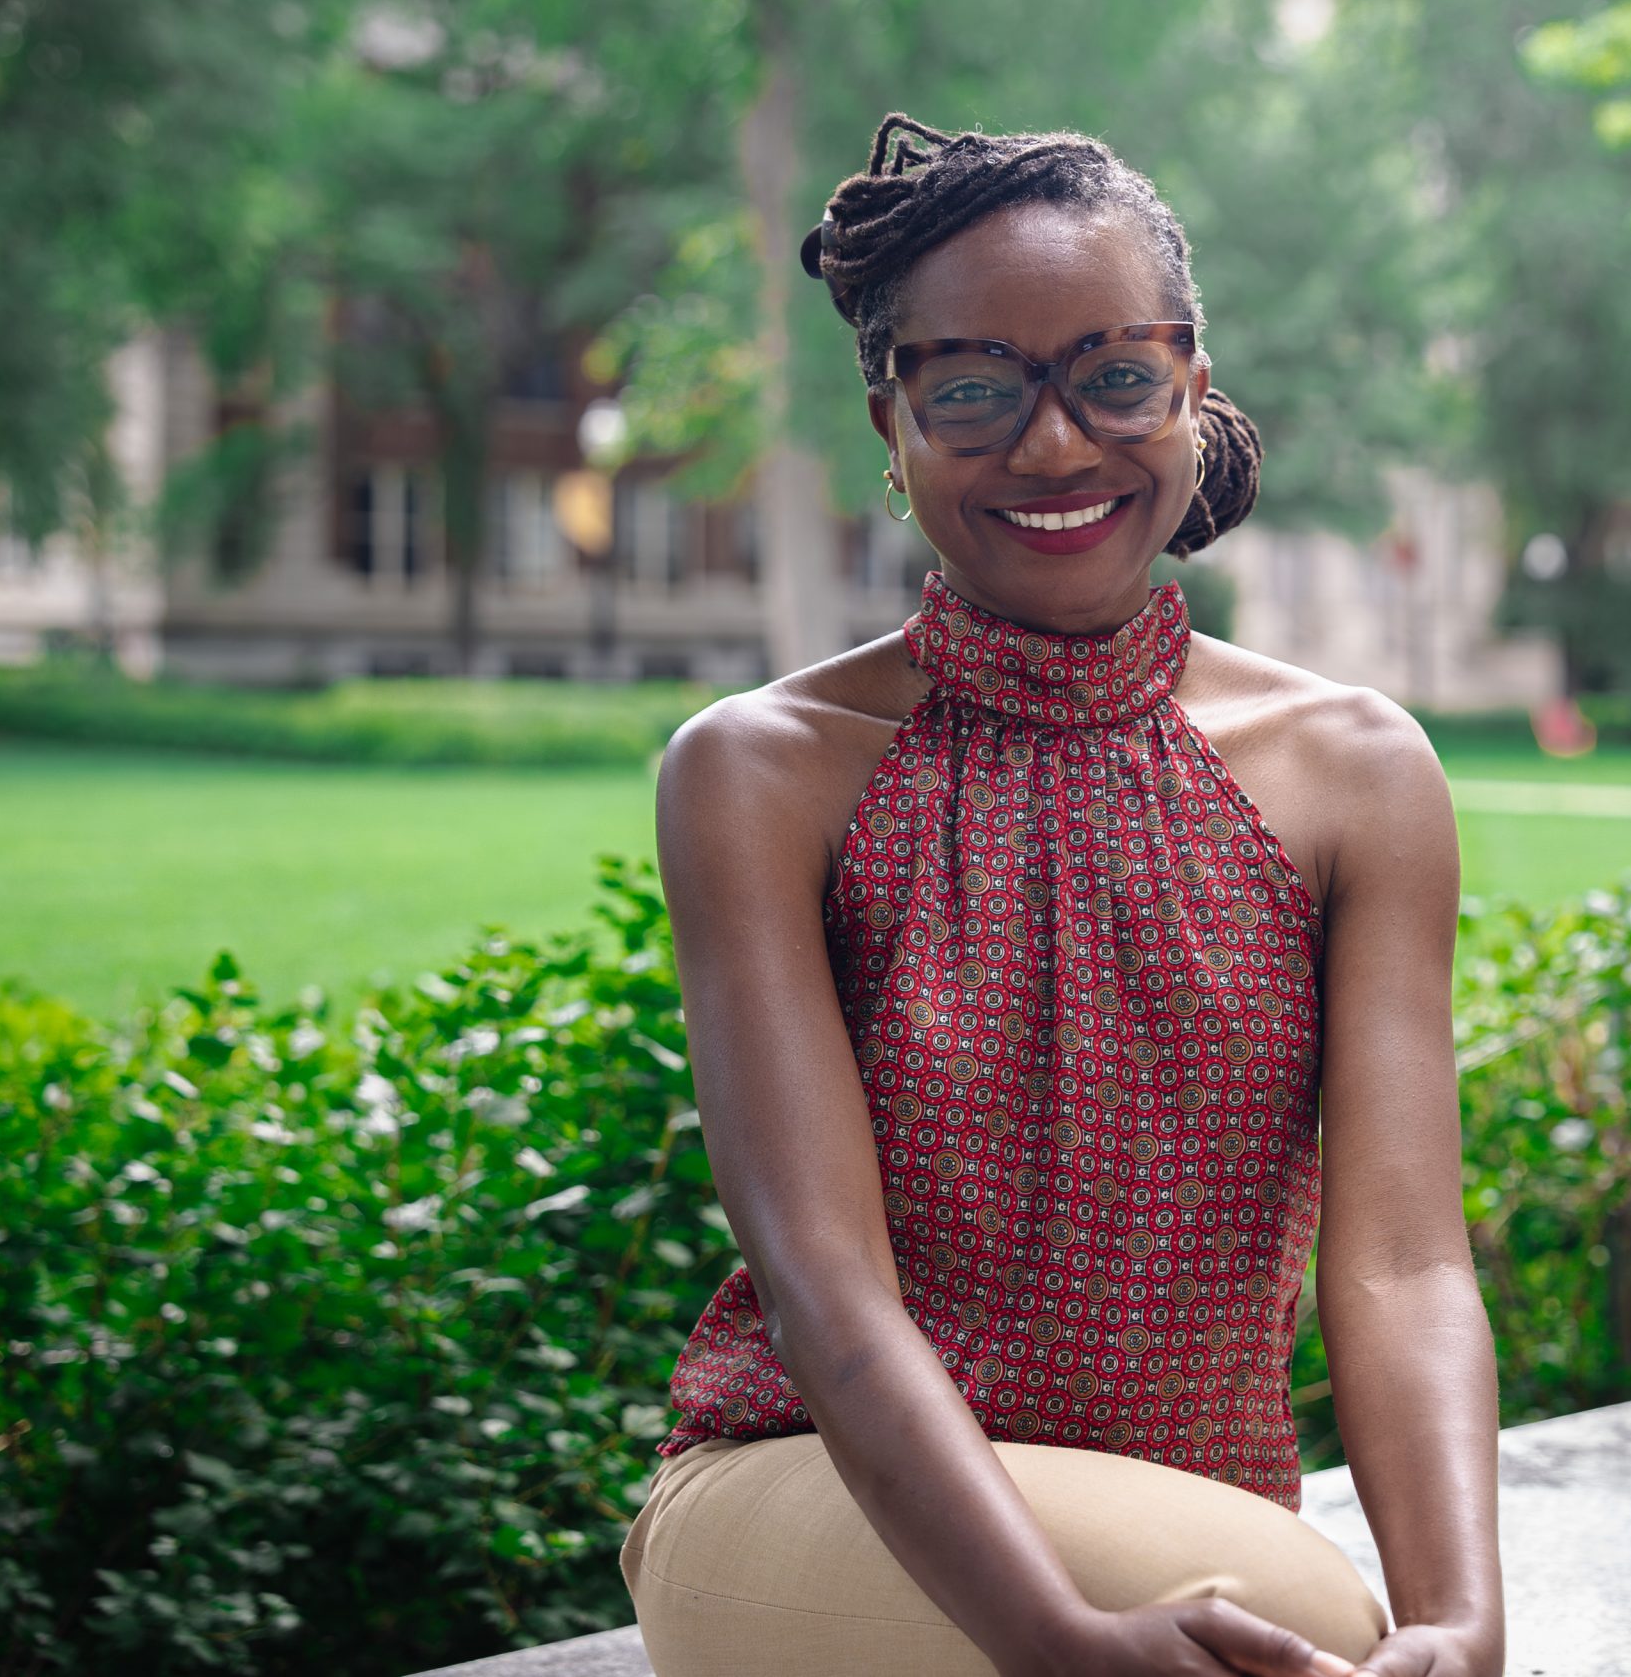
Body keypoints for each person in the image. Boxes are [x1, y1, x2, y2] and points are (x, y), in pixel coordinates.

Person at [617, 113, 1505, 1677]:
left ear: (1192, 391)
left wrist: (1464, 1623)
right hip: (803, 1495)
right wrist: (1061, 1637)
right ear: (888, 427)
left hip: (1187, 1516)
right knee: (1298, 1627)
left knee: (1337, 1636)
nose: (1050, 446)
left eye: (1114, 378)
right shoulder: (763, 774)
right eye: (971, 388)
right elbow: (827, 1293)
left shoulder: (1358, 772)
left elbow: (1404, 1261)